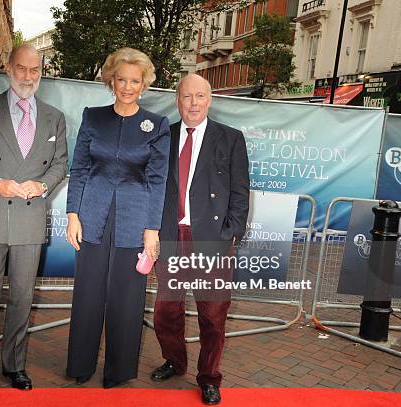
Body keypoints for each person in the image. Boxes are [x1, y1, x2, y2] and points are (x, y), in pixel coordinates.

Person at [0, 44, 68, 391]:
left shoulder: (54, 117)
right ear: (8, 69)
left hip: (30, 216)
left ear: (42, 71)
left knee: (23, 296)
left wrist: (41, 184)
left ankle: (14, 365)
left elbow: (60, 164)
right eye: (21, 68)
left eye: (34, 70)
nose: (28, 76)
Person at [65, 47, 170, 388]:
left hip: (134, 220)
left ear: (144, 84)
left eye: (134, 81)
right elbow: (79, 168)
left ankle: (118, 371)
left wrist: (152, 230)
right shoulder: (93, 117)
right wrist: (72, 214)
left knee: (127, 298)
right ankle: (80, 366)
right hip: (92, 216)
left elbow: (158, 180)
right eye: (121, 79)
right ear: (111, 80)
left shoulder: (157, 125)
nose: (127, 86)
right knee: (87, 293)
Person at [150, 74, 249, 405]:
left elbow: (240, 192)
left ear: (210, 99)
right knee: (166, 311)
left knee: (212, 315)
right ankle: (175, 362)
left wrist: (230, 234)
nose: (193, 103)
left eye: (200, 96)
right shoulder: (163, 136)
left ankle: (209, 378)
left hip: (211, 239)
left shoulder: (231, 138)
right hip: (170, 236)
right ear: (177, 100)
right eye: (187, 96)